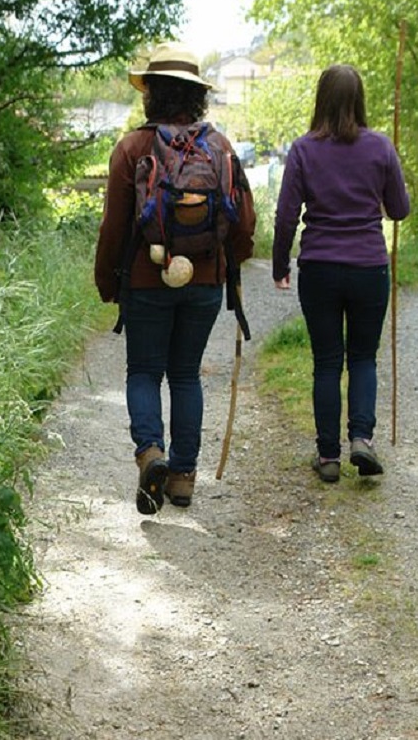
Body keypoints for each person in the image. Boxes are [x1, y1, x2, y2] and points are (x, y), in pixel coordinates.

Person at [94, 41, 257, 514]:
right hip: (205, 281)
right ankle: (182, 478)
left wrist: (109, 282)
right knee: (186, 374)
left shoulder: (132, 147)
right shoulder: (221, 146)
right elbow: (244, 221)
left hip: (146, 279)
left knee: (144, 371)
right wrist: (231, 264)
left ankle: (151, 453)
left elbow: (114, 227)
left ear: (151, 94)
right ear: (196, 97)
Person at [273, 63, 410, 483]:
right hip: (369, 266)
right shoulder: (381, 147)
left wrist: (280, 265)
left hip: (319, 267)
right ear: (360, 100)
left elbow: (285, 216)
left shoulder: (303, 149)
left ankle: (328, 456)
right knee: (363, 357)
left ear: (321, 100)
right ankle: (362, 442)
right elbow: (400, 210)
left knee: (327, 362)